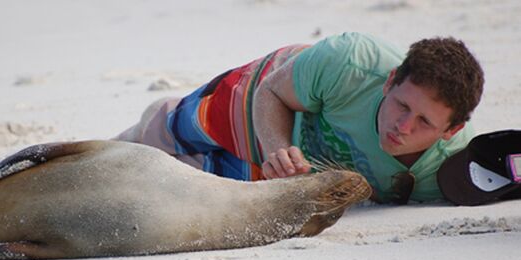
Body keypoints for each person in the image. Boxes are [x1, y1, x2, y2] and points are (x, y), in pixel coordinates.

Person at [114, 32, 484, 204]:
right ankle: (148, 124)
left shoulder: (453, 171)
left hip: (292, 178)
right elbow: (270, 91)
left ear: (451, 130)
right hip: (265, 98)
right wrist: (277, 147)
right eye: (402, 106)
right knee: (165, 135)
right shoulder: (352, 61)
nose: (402, 128)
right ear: (390, 82)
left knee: (172, 183)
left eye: (424, 123)